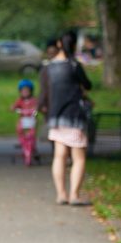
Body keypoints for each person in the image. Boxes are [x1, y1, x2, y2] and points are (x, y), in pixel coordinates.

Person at [43, 30, 93, 206]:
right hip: (73, 116)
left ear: (58, 44)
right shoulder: (74, 66)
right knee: (78, 157)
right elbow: (88, 85)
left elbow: (45, 93)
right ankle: (74, 195)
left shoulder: (49, 67)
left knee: (59, 156)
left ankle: (61, 194)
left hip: (56, 116)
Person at [11, 79, 39, 166]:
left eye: (27, 90)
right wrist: (14, 108)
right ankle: (23, 143)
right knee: (20, 129)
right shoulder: (20, 101)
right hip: (23, 120)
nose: (25, 92)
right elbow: (13, 107)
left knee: (31, 134)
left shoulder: (33, 100)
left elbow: (38, 106)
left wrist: (37, 109)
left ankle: (32, 147)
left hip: (31, 120)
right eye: (23, 91)